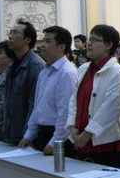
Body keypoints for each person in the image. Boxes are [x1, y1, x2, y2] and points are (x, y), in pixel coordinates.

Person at [66, 24, 120, 167]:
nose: (89, 43)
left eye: (94, 40)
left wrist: (88, 133)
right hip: (79, 140)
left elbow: (111, 108)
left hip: (105, 146)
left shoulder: (116, 72)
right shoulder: (83, 69)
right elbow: (74, 100)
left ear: (108, 45)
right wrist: (72, 126)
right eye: (89, 39)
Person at [19, 26, 78, 154]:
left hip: (59, 136)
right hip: (42, 132)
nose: (42, 45)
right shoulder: (44, 72)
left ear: (62, 47)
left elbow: (66, 112)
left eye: (48, 41)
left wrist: (55, 142)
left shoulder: (67, 73)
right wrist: (29, 135)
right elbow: (37, 106)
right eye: (43, 41)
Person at [3, 20, 45, 145]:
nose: (10, 36)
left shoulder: (36, 65)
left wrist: (28, 134)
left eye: (15, 33)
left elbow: (34, 104)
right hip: (11, 131)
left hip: (26, 135)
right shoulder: (12, 65)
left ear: (27, 39)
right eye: (10, 32)